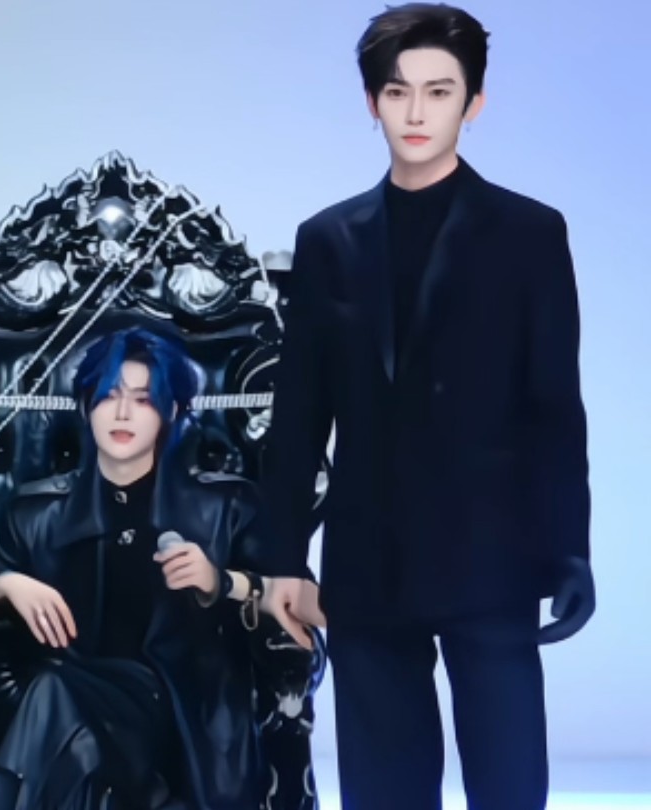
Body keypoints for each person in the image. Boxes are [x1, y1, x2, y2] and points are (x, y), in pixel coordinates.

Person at [264, 4, 594, 809]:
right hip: (368, 562)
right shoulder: (328, 240)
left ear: (473, 103)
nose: (416, 112)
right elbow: (300, 413)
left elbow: (554, 409)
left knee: (509, 786)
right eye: (397, 90)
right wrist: (282, 557)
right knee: (383, 790)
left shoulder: (529, 233)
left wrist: (569, 552)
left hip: (493, 555)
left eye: (438, 91)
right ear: (370, 102)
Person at [0, 327, 312, 809]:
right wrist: (5, 585)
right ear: (87, 406)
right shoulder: (37, 511)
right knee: (65, 716)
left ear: (172, 411)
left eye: (143, 399)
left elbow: (311, 608)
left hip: (181, 716)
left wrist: (222, 582)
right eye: (109, 396)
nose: (123, 413)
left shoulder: (226, 506)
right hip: (77, 710)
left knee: (54, 702)